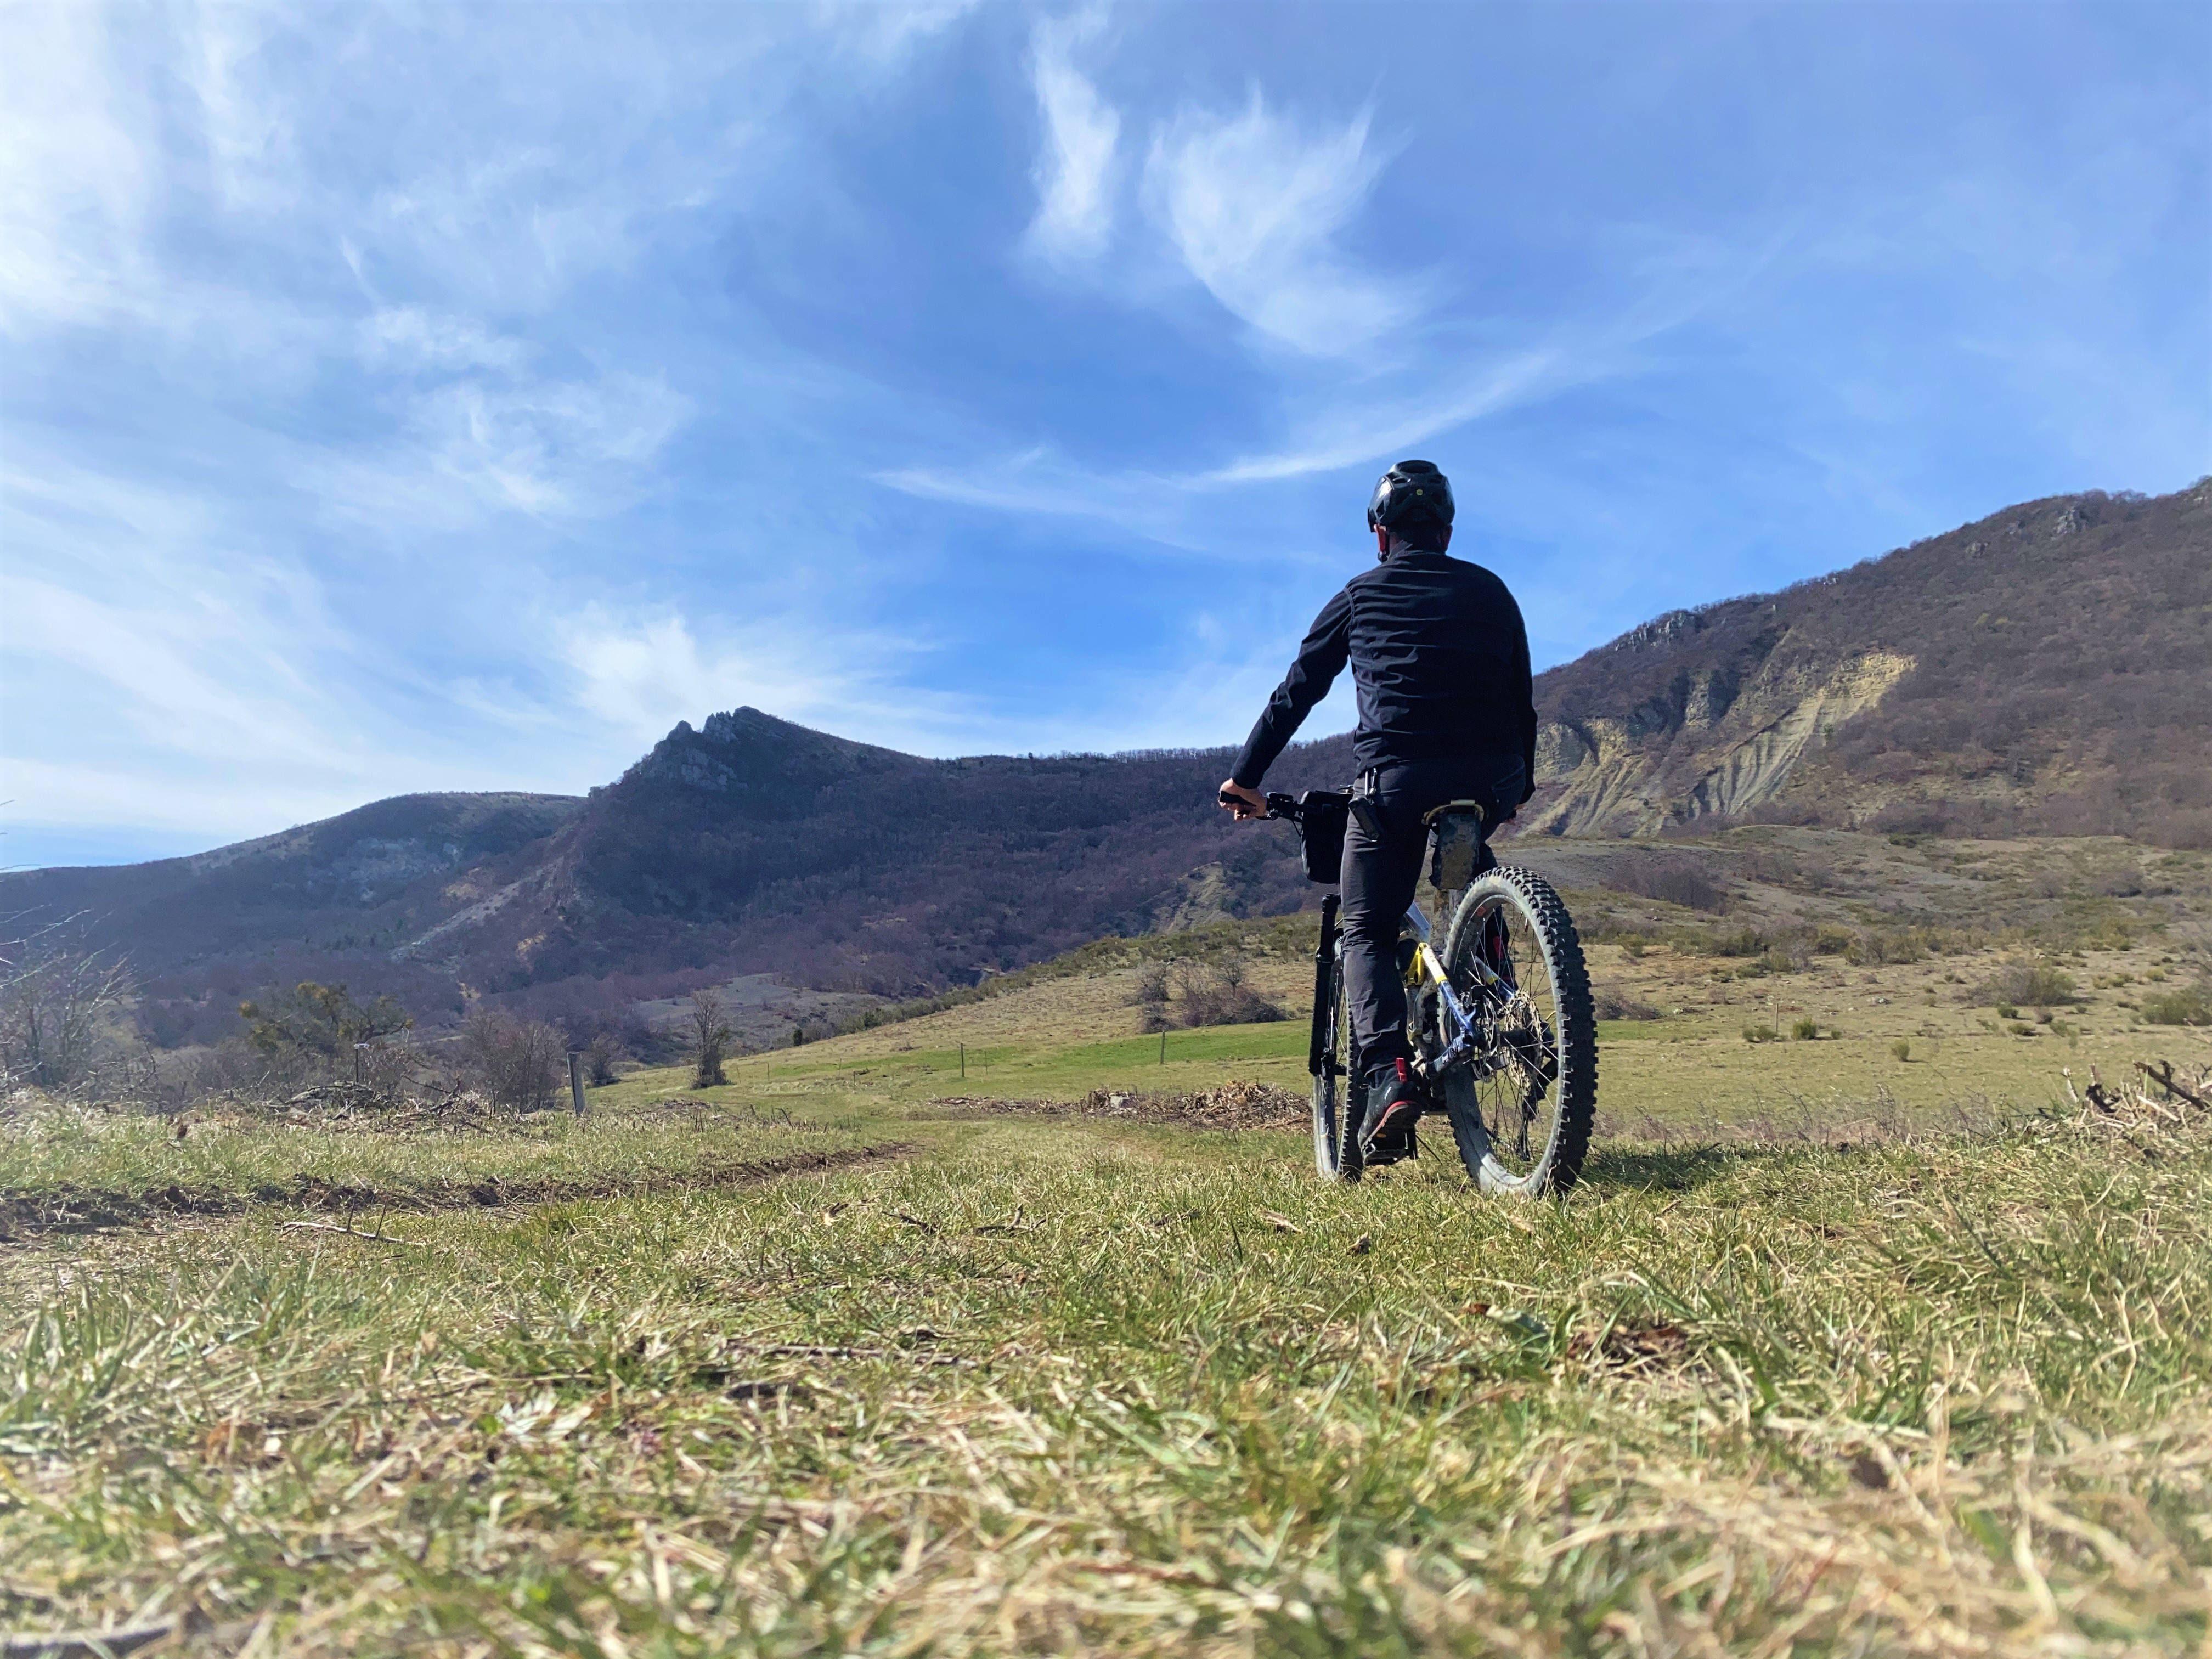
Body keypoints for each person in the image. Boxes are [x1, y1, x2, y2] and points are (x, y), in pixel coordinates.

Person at [1218, 459, 1536, 1163]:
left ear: (1380, 535)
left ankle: (1387, 1074)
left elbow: (1296, 691)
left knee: (1364, 926)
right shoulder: (1494, 591)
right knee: (1471, 875)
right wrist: (1520, 789)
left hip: (1396, 780)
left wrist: (1246, 778)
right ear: (1447, 533)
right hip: (1490, 774)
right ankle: (1499, 995)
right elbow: (1522, 699)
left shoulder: (1359, 595)